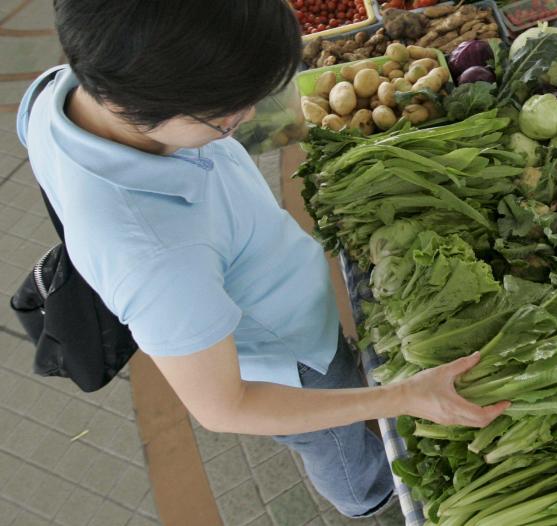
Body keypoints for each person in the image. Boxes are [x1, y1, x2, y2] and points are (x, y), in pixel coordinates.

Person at [17, 0, 509, 518]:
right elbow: (224, 406)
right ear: (150, 107)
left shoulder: (68, 86)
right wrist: (401, 398)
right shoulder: (158, 257)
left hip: (270, 298)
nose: (249, 115)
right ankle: (368, 500)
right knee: (337, 445)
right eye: (228, 114)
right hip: (289, 363)